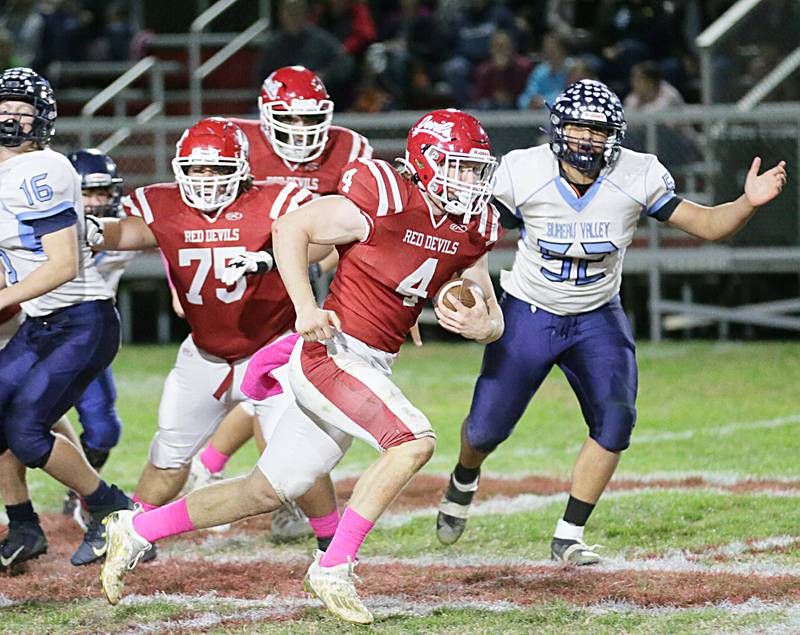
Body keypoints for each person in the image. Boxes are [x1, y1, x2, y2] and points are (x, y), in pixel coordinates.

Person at [98, 109, 505, 625]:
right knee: (414, 441)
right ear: (424, 161)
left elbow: (488, 313)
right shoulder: (383, 193)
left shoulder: (476, 224)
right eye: (457, 166)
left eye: (475, 169)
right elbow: (291, 226)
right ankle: (334, 565)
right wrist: (306, 308)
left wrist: (483, 327)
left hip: (373, 359)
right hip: (331, 353)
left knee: (265, 490)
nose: (468, 180)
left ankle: (135, 530)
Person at [435, 79, 787, 564]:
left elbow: (708, 225)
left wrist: (746, 203)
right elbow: (469, 237)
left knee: (616, 419)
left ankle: (568, 536)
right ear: (557, 129)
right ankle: (464, 477)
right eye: (579, 128)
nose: (588, 141)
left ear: (615, 136)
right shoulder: (523, 171)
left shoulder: (636, 174)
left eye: (599, 132)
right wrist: (467, 292)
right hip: (529, 311)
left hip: (597, 315)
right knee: (484, 430)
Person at [85, 116, 340, 549]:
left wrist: (273, 258)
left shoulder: (275, 200)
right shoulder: (162, 204)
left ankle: (332, 542)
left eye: (217, 169)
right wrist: (80, 231)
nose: (206, 181)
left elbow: (329, 245)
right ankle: (130, 535)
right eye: (197, 169)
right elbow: (122, 233)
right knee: (167, 456)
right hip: (204, 355)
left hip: (273, 351)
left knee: (301, 456)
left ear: (240, 168)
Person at [191, 65, 373, 541]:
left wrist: (323, 263)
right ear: (266, 115)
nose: (299, 131)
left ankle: (212, 465)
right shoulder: (238, 140)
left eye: (309, 119)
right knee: (275, 389)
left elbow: (354, 224)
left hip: (303, 271)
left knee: (278, 385)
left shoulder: (349, 148)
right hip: (238, 276)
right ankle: (273, 490)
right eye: (287, 120)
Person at [0, 67, 132, 572]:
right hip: (43, 324)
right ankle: (24, 527)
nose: (12, 118)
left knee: (26, 430)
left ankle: (111, 509)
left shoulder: (44, 168)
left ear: (43, 119)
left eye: (22, 109)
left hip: (81, 319)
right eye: (4, 108)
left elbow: (63, 265)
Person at [59, 148, 137, 534]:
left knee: (105, 432)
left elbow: (176, 242)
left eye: (102, 193)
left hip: (90, 341)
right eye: (86, 193)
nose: (94, 202)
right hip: (37, 339)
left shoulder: (126, 232)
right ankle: (22, 512)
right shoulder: (43, 224)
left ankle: (82, 490)